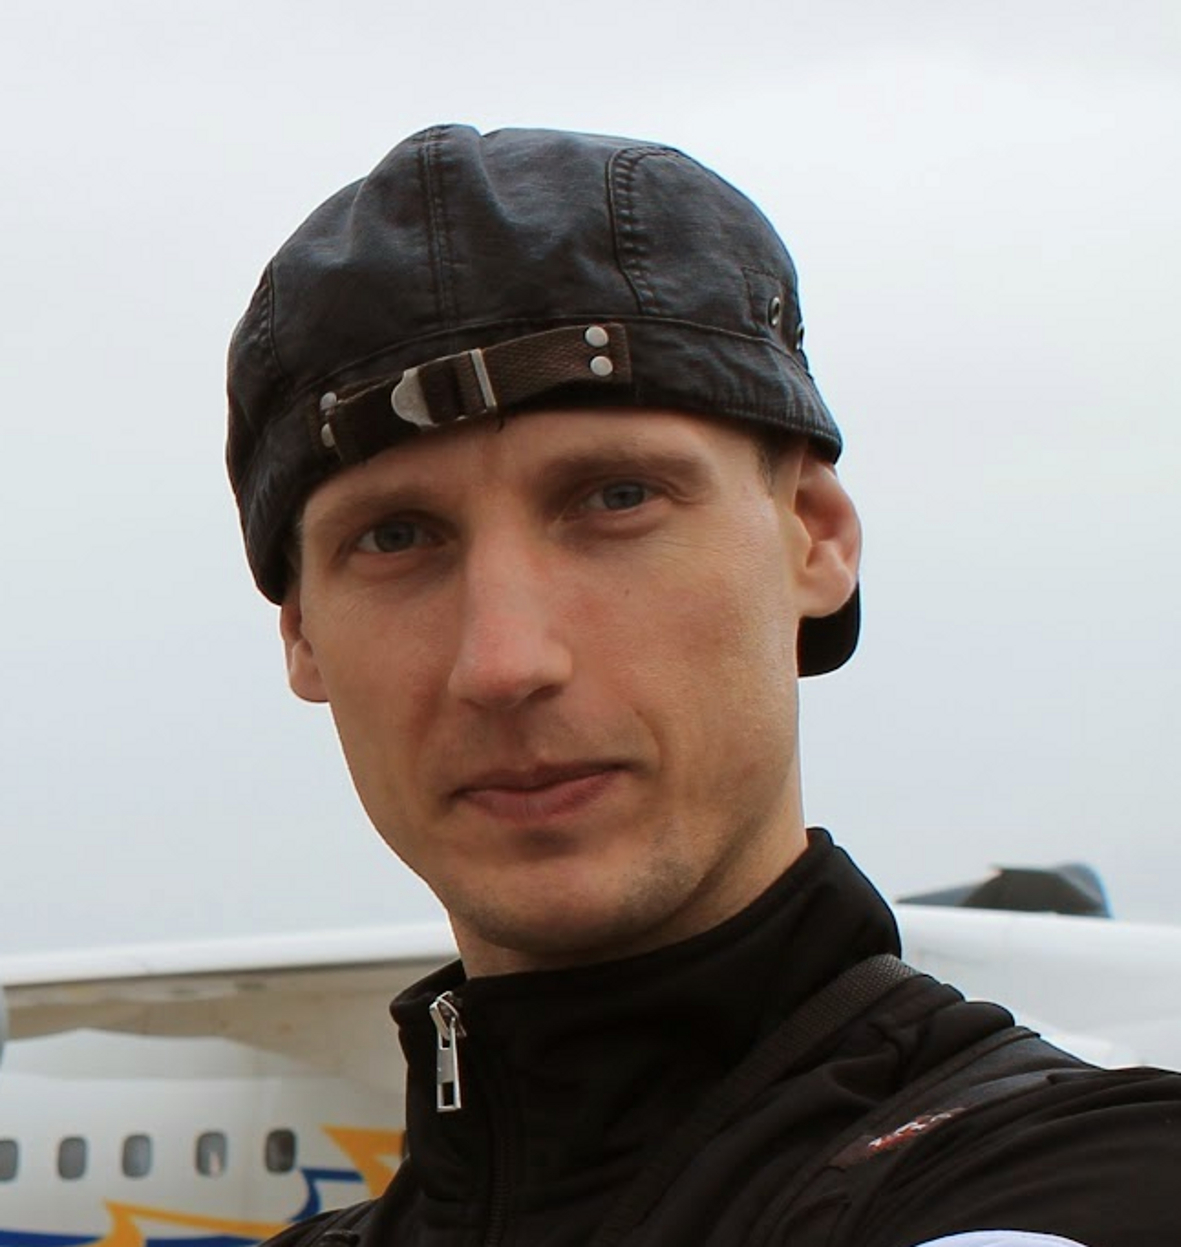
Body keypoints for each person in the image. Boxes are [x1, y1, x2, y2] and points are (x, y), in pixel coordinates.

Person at [225, 125, 1179, 1247]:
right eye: (395, 536)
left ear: (813, 536)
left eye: (616, 497)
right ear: (302, 636)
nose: (505, 662)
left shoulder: (1085, 1186)